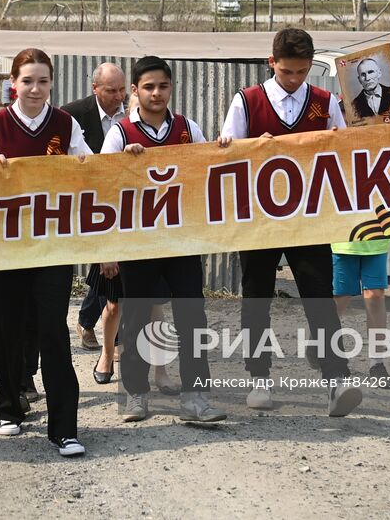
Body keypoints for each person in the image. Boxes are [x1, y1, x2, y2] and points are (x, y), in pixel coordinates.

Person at [217, 26, 362, 417]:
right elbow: (226, 155)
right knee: (256, 297)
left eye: (302, 72)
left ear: (311, 66)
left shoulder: (326, 100)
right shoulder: (246, 101)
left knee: (319, 297)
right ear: (272, 64)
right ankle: (258, 376)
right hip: (260, 218)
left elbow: (348, 152)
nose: (295, 80)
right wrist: (251, 148)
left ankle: (336, 378)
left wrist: (337, 141)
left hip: (308, 216)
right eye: (287, 72)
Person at [0, 47, 86, 457]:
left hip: (52, 246)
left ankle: (64, 426)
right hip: (5, 247)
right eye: (27, 80)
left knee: (53, 330)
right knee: (7, 328)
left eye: (43, 81)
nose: (35, 89)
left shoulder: (66, 123)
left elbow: (93, 169)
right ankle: (7, 407)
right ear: (13, 83)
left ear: (53, 83)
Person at [102, 56, 227, 424]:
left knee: (193, 315)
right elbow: (103, 186)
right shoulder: (120, 133)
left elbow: (210, 171)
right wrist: (125, 163)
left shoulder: (189, 128)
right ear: (135, 91)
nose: (157, 93)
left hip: (181, 239)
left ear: (172, 88)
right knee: (137, 316)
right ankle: (136, 394)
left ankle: (196, 396)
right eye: (149, 87)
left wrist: (223, 149)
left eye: (164, 86)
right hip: (138, 241)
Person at [63, 63, 126, 352]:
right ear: (95, 89)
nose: (118, 96)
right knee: (106, 263)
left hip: (120, 200)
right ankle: (107, 331)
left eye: (122, 90)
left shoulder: (132, 115)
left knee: (110, 263)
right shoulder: (72, 115)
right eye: (111, 90)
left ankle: (90, 322)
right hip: (83, 199)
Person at [331, 232, 390, 379]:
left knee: (375, 296)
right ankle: (318, 338)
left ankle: (377, 363)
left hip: (376, 240)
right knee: (341, 299)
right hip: (343, 242)